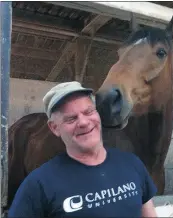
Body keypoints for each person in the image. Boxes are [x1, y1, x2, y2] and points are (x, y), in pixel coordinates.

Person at [8, 81, 158, 217]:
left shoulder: (133, 164)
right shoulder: (37, 185)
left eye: (88, 112)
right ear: (54, 128)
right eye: (71, 118)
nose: (84, 122)